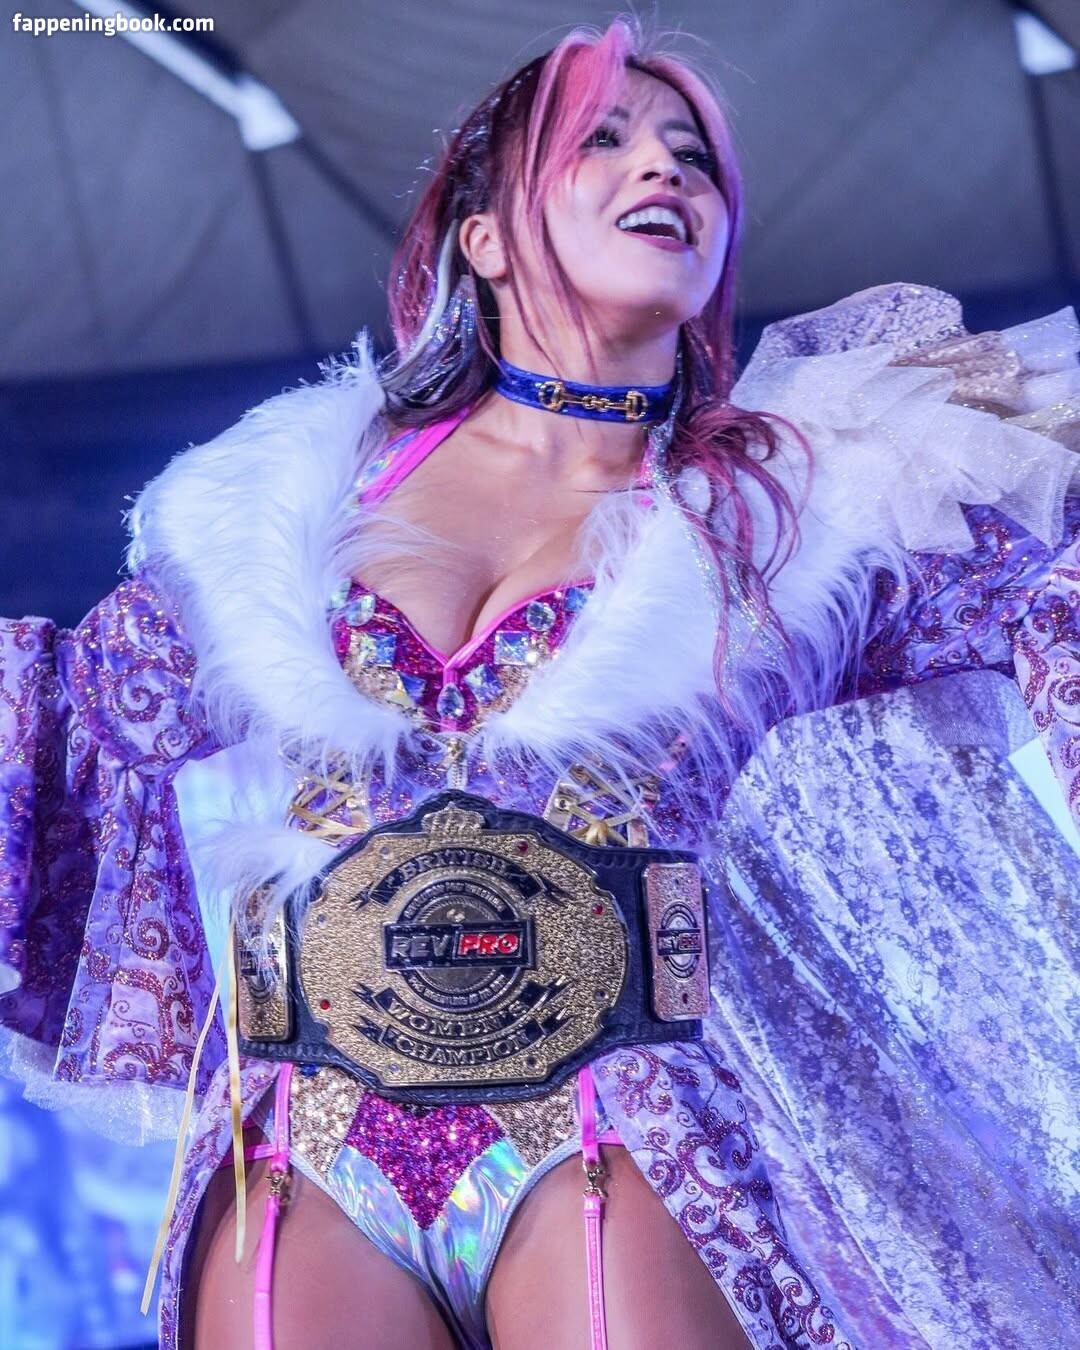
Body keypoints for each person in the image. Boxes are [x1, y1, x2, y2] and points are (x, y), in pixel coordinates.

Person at [2, 16, 1078, 1350]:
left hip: (621, 1133)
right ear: (484, 237)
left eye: (693, 155)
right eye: (604, 140)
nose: (664, 168)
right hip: (299, 1138)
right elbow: (69, 717)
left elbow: (1044, 598)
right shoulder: (276, 504)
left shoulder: (804, 502)